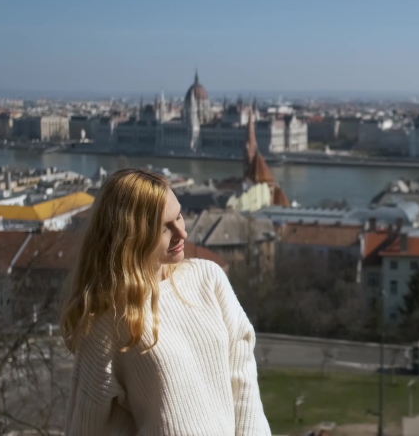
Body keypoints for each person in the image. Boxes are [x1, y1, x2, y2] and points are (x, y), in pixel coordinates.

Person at [61, 168, 271, 435]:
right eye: (164, 228)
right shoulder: (108, 322)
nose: (181, 233)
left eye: (179, 216)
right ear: (130, 237)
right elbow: (86, 427)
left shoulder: (209, 279)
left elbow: (243, 378)